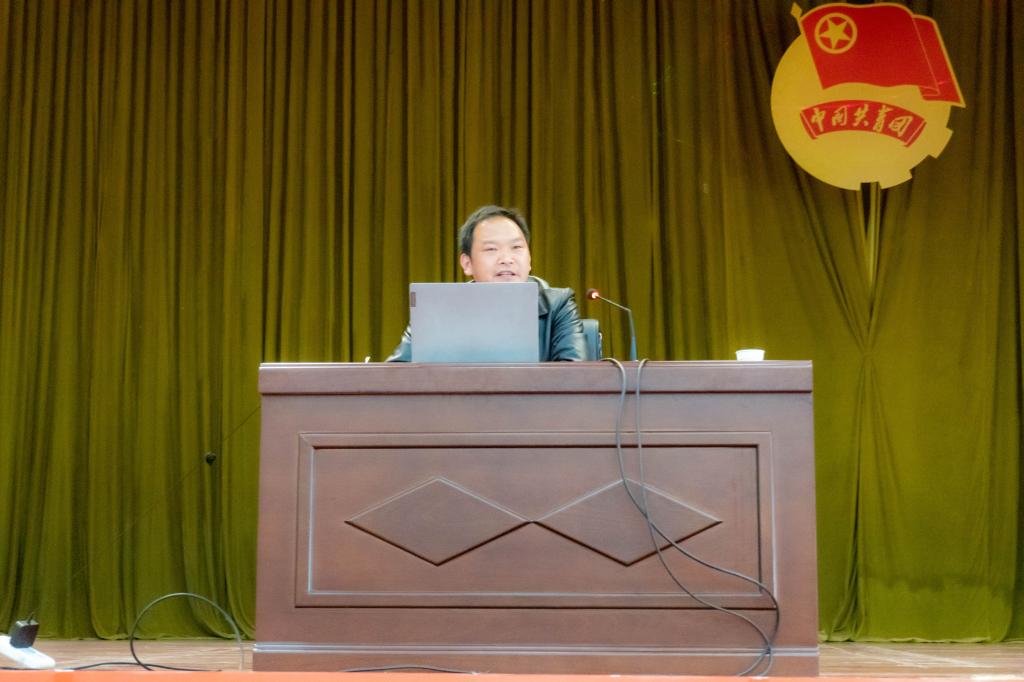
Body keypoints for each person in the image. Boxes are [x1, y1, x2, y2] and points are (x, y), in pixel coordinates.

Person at [386, 205, 587, 362]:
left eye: (516, 247)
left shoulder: (557, 305)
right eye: (491, 249)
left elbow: (576, 377)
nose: (506, 259)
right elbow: (396, 376)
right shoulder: (438, 308)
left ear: (529, 260)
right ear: (467, 263)